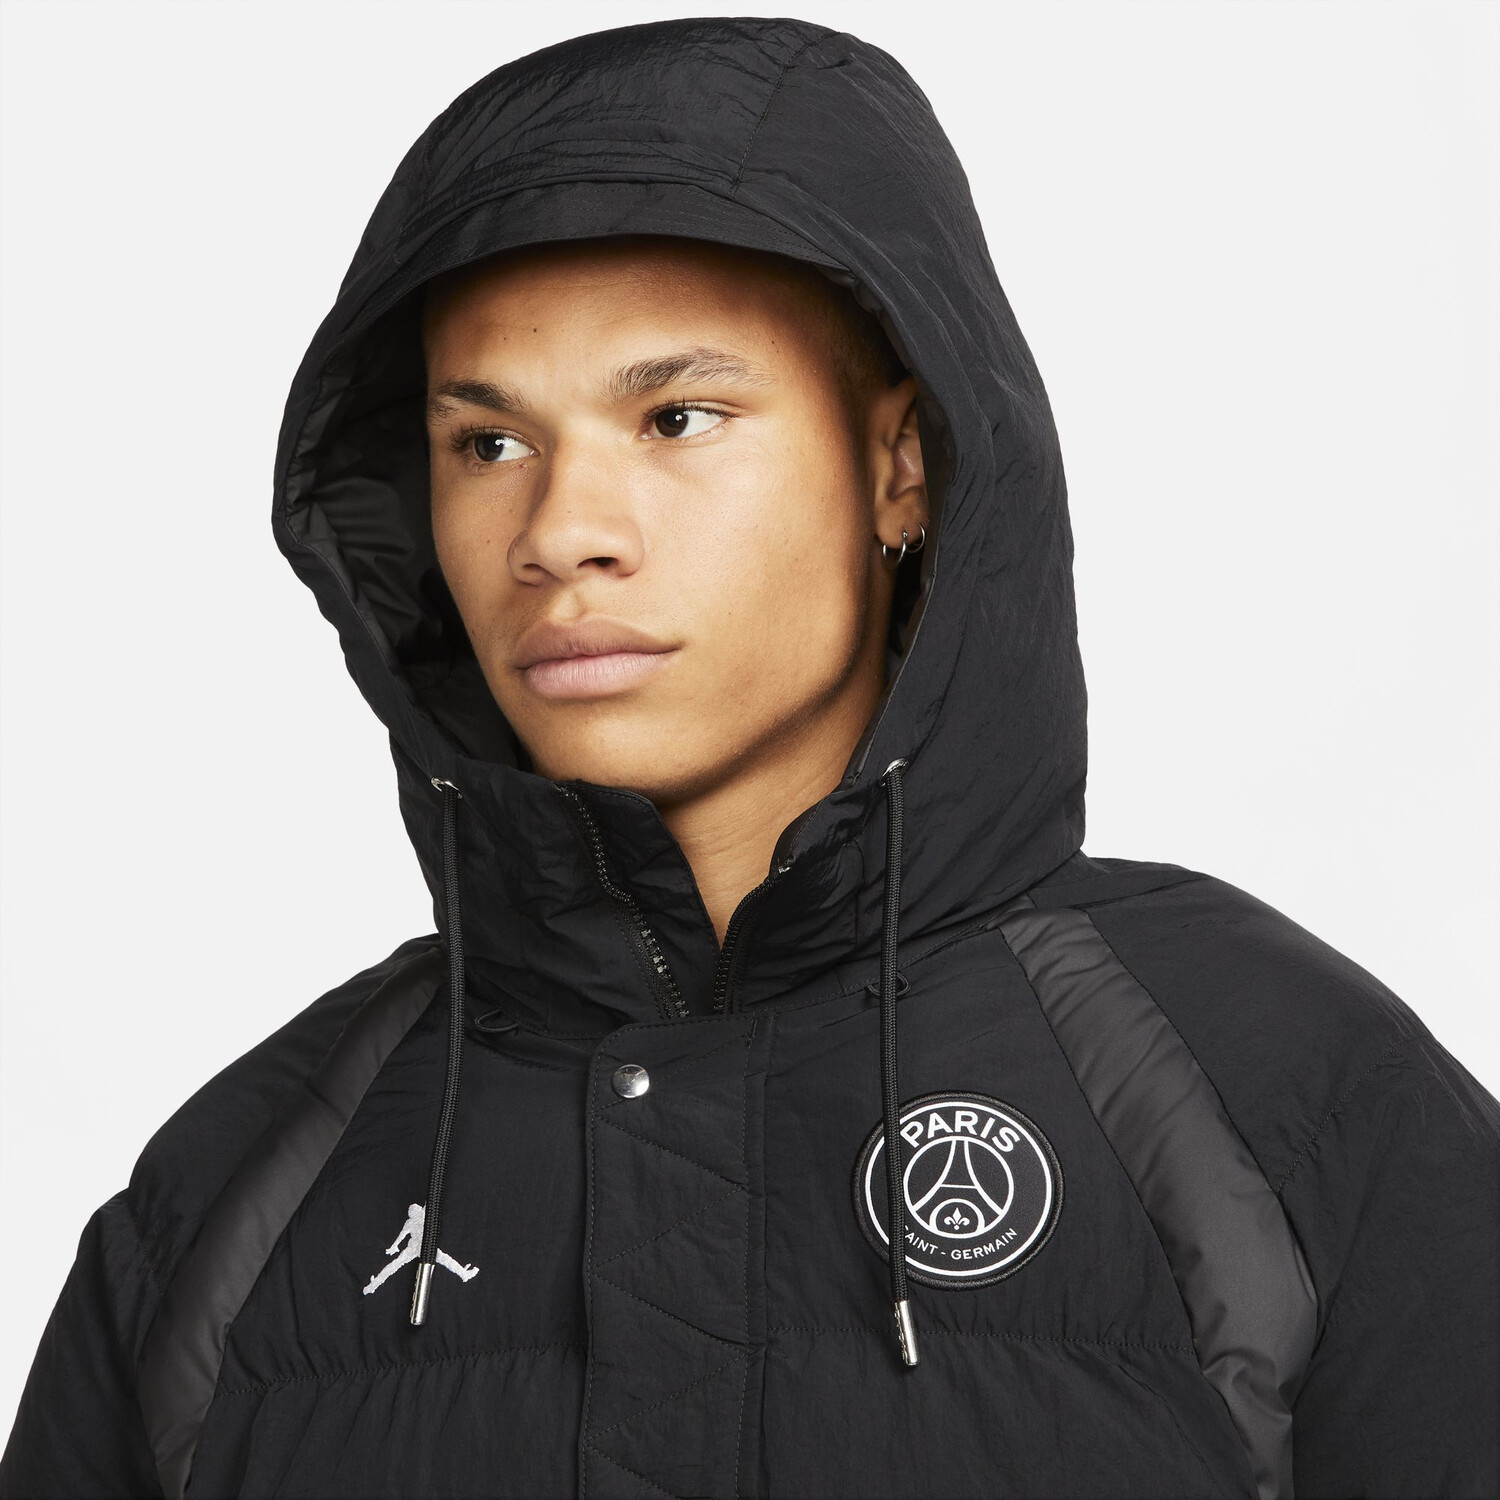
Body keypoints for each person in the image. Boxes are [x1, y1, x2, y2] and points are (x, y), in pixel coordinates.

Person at [2, 14, 1496, 1500]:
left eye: (677, 416)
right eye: (488, 444)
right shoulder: (232, 1205)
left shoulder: (1284, 1104)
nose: (561, 533)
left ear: (900, 467)